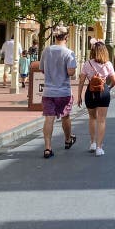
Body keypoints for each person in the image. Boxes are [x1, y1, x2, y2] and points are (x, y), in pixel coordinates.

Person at [39, 26, 77, 158]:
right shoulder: (68, 53)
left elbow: (42, 69)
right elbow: (71, 72)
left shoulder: (46, 50)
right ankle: (67, 139)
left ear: (55, 37)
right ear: (66, 37)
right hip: (63, 91)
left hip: (48, 91)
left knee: (49, 118)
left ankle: (48, 148)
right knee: (65, 116)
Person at [78, 41, 115, 156]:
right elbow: (114, 81)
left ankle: (92, 143)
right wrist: (108, 88)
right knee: (102, 120)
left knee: (92, 118)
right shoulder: (108, 64)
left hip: (90, 92)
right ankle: (99, 148)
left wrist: (79, 96)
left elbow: (81, 81)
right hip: (103, 92)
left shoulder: (87, 64)